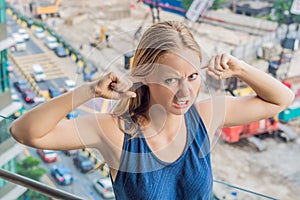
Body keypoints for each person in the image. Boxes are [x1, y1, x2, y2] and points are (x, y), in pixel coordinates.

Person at [10, 21, 294, 199]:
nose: (185, 93)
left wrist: (241, 68)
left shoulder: (205, 116)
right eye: (171, 80)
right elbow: (24, 132)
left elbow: (280, 99)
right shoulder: (117, 132)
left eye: (193, 77)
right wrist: (90, 91)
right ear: (146, 76)